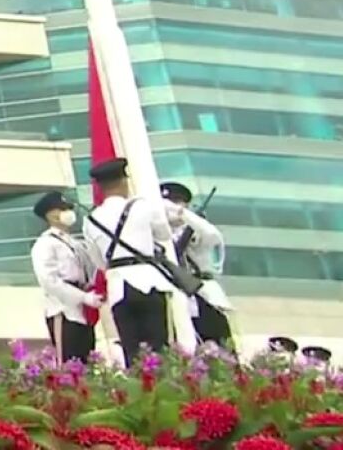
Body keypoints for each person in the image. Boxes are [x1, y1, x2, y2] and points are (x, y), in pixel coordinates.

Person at [82, 157, 175, 368]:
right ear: (124, 181)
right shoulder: (142, 206)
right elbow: (164, 234)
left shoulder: (91, 219)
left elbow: (99, 261)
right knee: (159, 347)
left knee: (131, 350)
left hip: (119, 288)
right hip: (149, 283)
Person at [30, 191, 104, 362]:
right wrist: (83, 297)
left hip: (84, 311)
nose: (69, 212)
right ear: (52, 215)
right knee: (68, 364)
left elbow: (91, 270)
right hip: (63, 310)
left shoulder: (76, 243)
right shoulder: (45, 243)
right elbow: (49, 281)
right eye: (63, 209)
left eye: (69, 208)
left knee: (87, 363)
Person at [161, 182, 233, 348]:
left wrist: (185, 215)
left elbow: (213, 236)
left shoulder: (197, 228)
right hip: (174, 298)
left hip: (202, 294)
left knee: (218, 347)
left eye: (174, 203)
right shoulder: (158, 233)